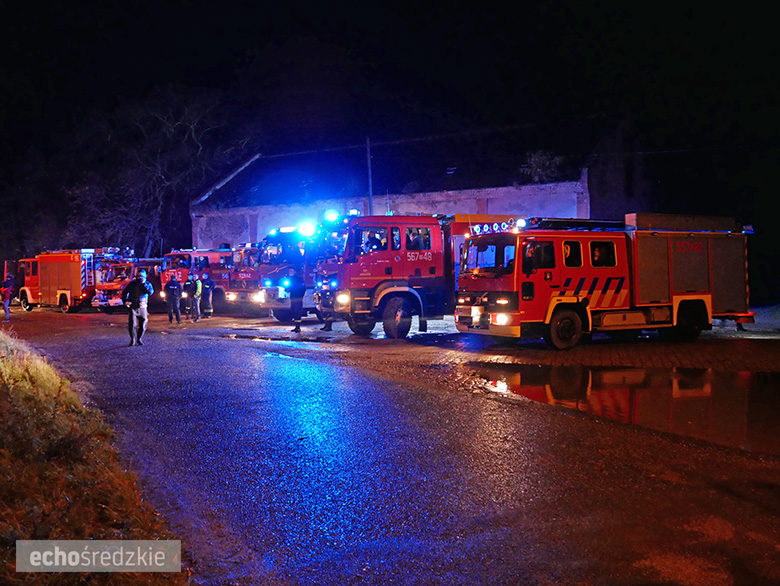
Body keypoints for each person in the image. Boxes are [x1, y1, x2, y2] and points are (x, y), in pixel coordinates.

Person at [121, 269, 154, 346]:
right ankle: (133, 339)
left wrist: (144, 285)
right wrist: (125, 301)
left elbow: (150, 292)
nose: (139, 278)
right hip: (133, 306)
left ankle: (139, 339)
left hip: (143, 307)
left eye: (141, 276)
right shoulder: (132, 284)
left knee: (143, 324)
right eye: (138, 276)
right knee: (132, 324)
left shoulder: (148, 284)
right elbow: (124, 292)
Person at [287, 266, 307, 333]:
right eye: (289, 271)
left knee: (298, 312)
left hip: (298, 298)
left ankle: (298, 328)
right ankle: (296, 327)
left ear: (295, 271)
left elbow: (303, 288)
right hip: (293, 298)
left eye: (291, 271)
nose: (290, 272)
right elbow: (290, 287)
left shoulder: (299, 279)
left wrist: (301, 296)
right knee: (294, 312)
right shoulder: (290, 278)